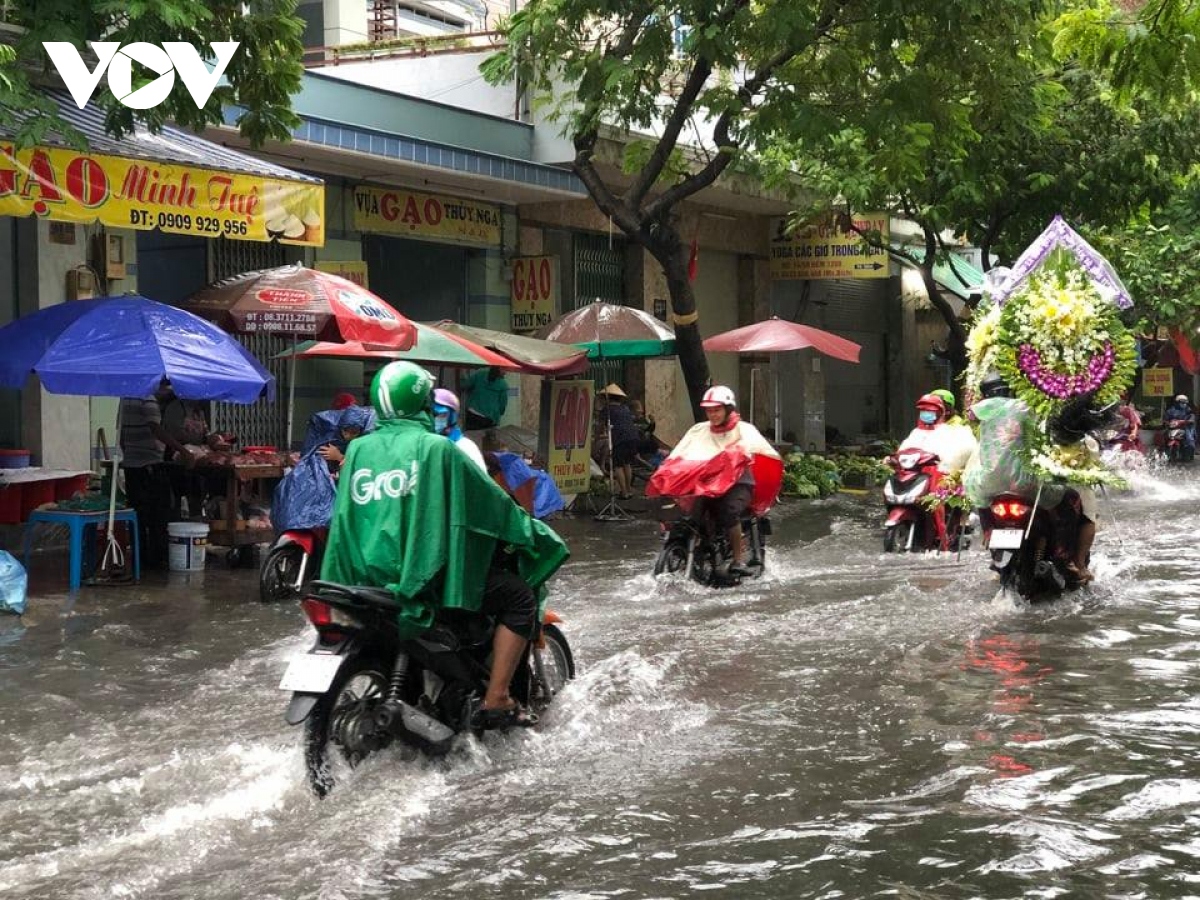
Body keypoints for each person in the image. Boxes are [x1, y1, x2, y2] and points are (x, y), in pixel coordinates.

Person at [320, 361, 568, 730]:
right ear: (421, 403)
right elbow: (491, 504)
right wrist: (533, 532)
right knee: (518, 598)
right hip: (419, 575)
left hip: (360, 575)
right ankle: (497, 696)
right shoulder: (438, 448)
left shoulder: (358, 449)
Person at [656, 386, 781, 576]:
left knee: (729, 511)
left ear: (728, 409)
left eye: (717, 410)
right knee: (689, 516)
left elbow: (763, 452)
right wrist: (667, 470)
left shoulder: (744, 430)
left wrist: (737, 457)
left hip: (739, 483)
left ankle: (738, 560)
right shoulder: (698, 430)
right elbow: (680, 453)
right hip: (706, 484)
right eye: (709, 411)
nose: (712, 415)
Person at [120, 381, 193, 569]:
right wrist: (183, 451)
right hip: (149, 466)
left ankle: (141, 559)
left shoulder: (127, 398)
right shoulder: (148, 399)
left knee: (139, 516)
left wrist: (129, 454)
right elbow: (156, 429)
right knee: (158, 516)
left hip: (132, 467)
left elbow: (122, 437)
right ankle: (157, 559)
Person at [599, 384, 641, 498]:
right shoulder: (625, 408)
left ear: (607, 398)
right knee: (627, 464)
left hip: (620, 439)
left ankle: (624, 492)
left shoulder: (606, 410)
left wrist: (599, 435)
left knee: (618, 466)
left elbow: (601, 428)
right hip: (633, 438)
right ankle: (629, 490)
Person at [431, 387, 487, 472]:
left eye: (441, 415)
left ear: (453, 417)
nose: (434, 419)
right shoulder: (425, 445)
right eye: (431, 415)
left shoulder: (465, 447)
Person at [463, 366, 510, 430]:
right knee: (485, 439)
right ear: (499, 368)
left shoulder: (479, 374)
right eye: (505, 369)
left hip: (472, 413)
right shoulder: (503, 384)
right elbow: (502, 404)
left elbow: (466, 385)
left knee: (470, 437)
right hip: (489, 418)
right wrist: (499, 414)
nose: (506, 372)